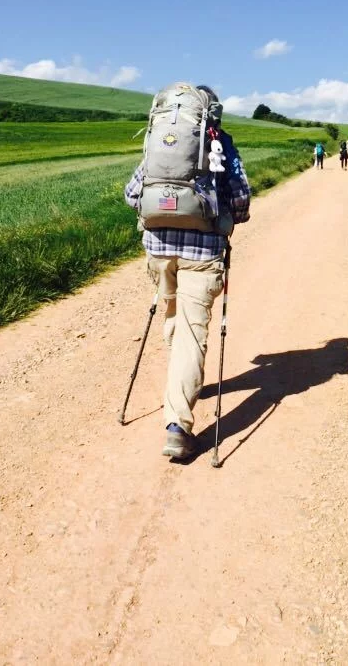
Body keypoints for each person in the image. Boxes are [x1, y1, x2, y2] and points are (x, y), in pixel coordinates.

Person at [124, 84, 251, 460]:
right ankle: (178, 424)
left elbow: (133, 194)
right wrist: (229, 216)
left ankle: (181, 382)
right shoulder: (220, 142)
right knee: (192, 333)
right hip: (203, 250)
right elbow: (240, 197)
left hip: (159, 250)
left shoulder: (158, 139)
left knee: (172, 315)